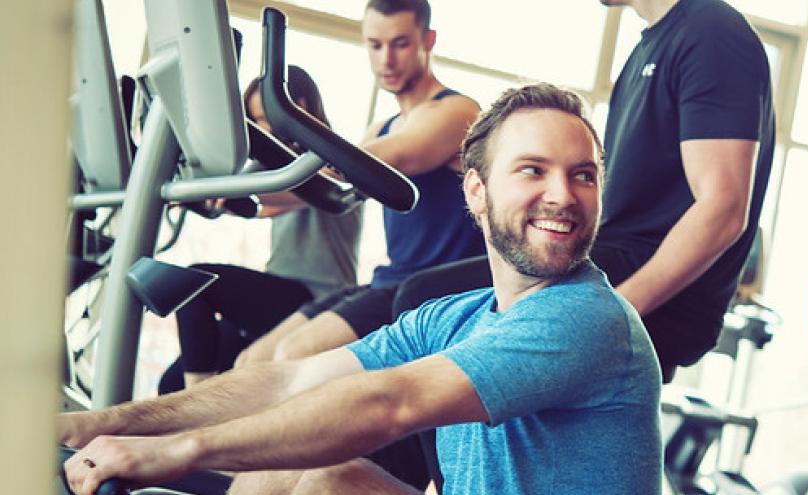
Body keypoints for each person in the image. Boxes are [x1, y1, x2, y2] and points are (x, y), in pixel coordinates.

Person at [58, 83, 663, 495]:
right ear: (476, 192)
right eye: (534, 170)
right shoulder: (456, 318)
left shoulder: (588, 317)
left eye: (583, 175)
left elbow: (387, 405)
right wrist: (112, 423)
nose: (564, 194)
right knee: (326, 479)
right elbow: (289, 379)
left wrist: (175, 453)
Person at [394, 0, 775, 384]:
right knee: (415, 307)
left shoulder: (711, 31)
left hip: (646, 286)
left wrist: (613, 312)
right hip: (607, 260)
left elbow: (724, 208)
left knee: (423, 302)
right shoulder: (649, 46)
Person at [234, 0, 485, 367]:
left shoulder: (455, 111)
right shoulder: (382, 127)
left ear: (427, 41)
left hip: (434, 291)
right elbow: (323, 192)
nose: (386, 59)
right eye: (375, 45)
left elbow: (379, 160)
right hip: (389, 280)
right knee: (253, 360)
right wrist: (229, 196)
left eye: (400, 43)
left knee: (293, 356)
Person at [156, 66, 363, 395]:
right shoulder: (279, 171)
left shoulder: (332, 159)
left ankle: (195, 407)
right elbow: (262, 207)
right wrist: (208, 197)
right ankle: (194, 405)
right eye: (257, 122)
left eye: (267, 119)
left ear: (301, 107)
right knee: (170, 383)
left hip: (319, 298)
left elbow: (298, 193)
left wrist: (236, 191)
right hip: (278, 295)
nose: (263, 131)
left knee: (195, 285)